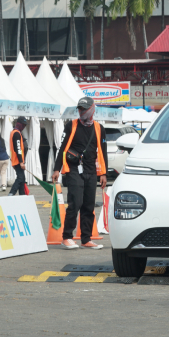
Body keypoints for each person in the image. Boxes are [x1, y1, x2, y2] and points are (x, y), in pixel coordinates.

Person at [52, 97, 107, 250]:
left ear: (92, 109)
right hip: (74, 169)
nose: (81, 111)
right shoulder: (71, 126)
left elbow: (103, 151)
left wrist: (103, 173)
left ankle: (86, 239)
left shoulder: (99, 128)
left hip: (90, 170)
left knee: (89, 205)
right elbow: (62, 148)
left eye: (84, 108)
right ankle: (67, 236)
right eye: (80, 109)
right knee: (75, 203)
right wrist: (57, 169)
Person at [8, 117, 29, 196]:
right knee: (20, 178)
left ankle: (22, 194)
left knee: (22, 179)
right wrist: (21, 162)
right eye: (23, 125)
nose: (24, 127)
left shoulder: (14, 132)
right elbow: (18, 148)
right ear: (19, 124)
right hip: (18, 160)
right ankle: (12, 193)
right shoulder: (16, 133)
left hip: (16, 160)